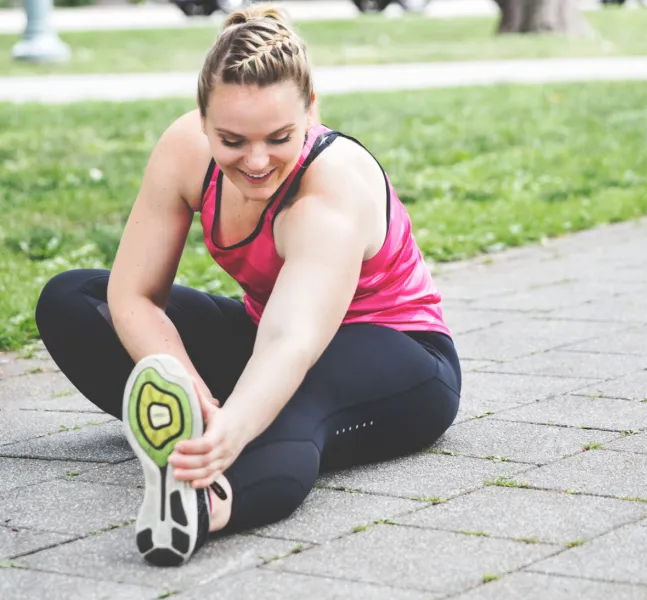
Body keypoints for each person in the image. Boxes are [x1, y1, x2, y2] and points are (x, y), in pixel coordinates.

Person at [33, 4, 461, 567]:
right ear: (203, 120)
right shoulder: (185, 149)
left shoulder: (327, 195)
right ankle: (190, 433)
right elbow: (133, 294)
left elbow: (291, 344)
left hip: (399, 355)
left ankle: (200, 500)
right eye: (231, 140)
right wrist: (186, 385)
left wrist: (231, 428)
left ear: (312, 109)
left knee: (294, 398)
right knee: (72, 298)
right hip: (268, 335)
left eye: (279, 137)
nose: (256, 160)